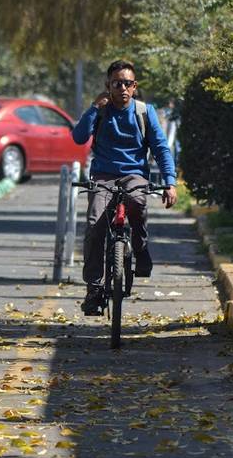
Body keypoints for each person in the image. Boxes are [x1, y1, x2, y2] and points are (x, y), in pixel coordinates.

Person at [71, 60, 178, 316]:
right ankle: (94, 289)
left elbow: (161, 148)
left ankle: (141, 250)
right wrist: (94, 108)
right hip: (103, 176)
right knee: (95, 222)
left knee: (138, 203)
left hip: (134, 175)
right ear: (108, 86)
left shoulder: (144, 111)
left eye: (127, 83)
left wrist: (170, 182)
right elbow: (78, 138)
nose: (122, 88)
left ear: (135, 86)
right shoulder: (100, 111)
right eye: (116, 83)